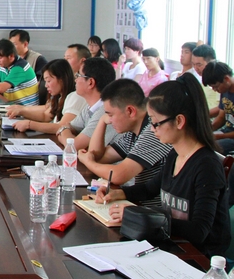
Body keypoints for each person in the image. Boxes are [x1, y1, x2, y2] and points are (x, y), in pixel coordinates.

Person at [96, 74, 230, 259]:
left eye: (156, 122)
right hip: (171, 244)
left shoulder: (207, 166)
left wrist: (143, 215)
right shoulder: (175, 154)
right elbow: (149, 189)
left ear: (179, 121)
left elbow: (199, 230)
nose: (152, 129)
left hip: (198, 257)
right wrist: (119, 193)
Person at [77, 79, 171, 206]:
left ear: (130, 111)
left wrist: (88, 162)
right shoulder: (132, 132)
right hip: (139, 203)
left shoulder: (153, 130)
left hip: (154, 210)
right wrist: (102, 122)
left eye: (111, 115)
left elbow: (118, 175)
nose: (109, 120)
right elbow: (98, 157)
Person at [7, 59, 86, 134]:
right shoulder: (59, 96)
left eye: (49, 81)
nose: (46, 85)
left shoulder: (76, 97)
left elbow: (62, 127)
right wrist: (21, 111)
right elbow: (46, 116)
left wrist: (29, 124)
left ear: (62, 79)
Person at [58, 57, 118, 148]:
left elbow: (74, 146)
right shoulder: (89, 107)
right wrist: (66, 131)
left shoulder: (105, 111)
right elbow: (69, 126)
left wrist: (64, 132)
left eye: (78, 75)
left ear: (90, 82)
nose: (75, 80)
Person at [0, 39, 39, 106]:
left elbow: (0, 88)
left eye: (0, 57)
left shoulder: (20, 68)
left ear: (11, 56)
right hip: (11, 105)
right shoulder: (4, 66)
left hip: (25, 109)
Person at [202, 62, 234, 153]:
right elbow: (221, 117)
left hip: (231, 137)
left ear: (226, 79)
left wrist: (220, 136)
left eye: (215, 87)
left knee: (209, 148)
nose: (215, 90)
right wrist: (207, 131)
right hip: (227, 131)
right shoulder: (225, 91)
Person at [191, 43, 220, 110]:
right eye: (193, 64)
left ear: (211, 62)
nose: (196, 68)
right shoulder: (198, 79)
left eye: (199, 65)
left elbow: (222, 108)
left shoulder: (220, 81)